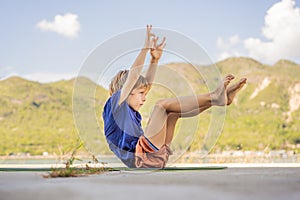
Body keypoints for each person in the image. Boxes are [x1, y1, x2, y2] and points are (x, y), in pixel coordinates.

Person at [102, 25, 247, 168]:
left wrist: (154, 60)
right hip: (143, 156)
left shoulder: (129, 112)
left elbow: (147, 85)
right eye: (141, 94)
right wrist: (144, 49)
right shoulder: (114, 105)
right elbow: (132, 77)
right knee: (161, 105)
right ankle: (214, 97)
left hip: (153, 156)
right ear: (126, 91)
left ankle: (219, 100)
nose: (145, 98)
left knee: (172, 114)